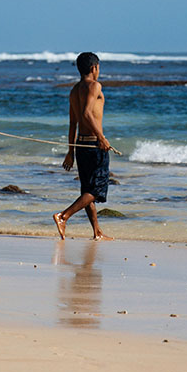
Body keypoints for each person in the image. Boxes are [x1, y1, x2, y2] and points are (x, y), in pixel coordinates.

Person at [53, 52, 113, 240]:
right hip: (94, 145)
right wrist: (101, 138)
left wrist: (71, 151)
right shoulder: (95, 86)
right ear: (94, 68)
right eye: (98, 67)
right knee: (95, 190)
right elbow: (87, 114)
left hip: (80, 145)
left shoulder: (74, 90)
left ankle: (97, 231)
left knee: (86, 190)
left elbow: (73, 123)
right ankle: (63, 216)